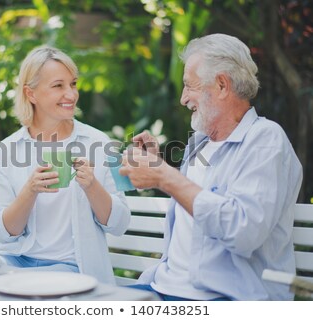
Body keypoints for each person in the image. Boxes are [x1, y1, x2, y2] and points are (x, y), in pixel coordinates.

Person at [120, 33, 303, 300]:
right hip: (163, 287)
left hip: (221, 297)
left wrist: (165, 176)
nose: (183, 98)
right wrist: (159, 169)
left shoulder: (266, 139)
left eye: (189, 86)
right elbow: (197, 204)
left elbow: (244, 233)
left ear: (221, 85)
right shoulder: (201, 144)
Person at [0, 46, 130, 284]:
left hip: (72, 267)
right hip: (17, 259)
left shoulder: (102, 142)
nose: (71, 94)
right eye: (58, 86)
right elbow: (3, 234)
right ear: (30, 94)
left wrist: (92, 186)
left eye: (73, 84)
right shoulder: (6, 149)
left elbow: (121, 224)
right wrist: (29, 191)